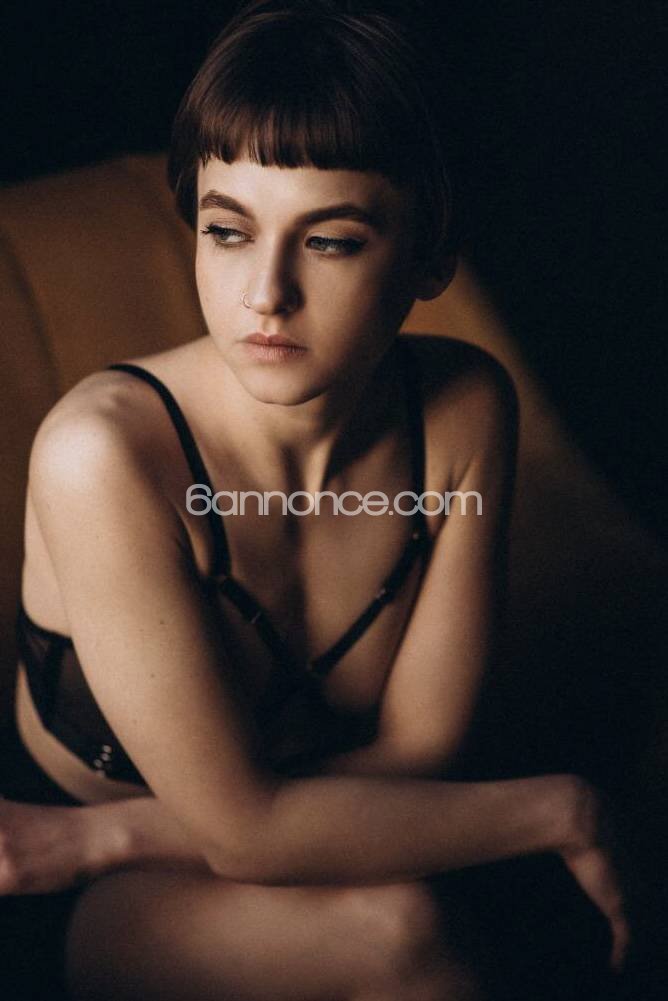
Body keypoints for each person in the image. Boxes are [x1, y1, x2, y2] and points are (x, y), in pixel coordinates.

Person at [0, 2, 629, 999]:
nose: (265, 293)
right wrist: (558, 810)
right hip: (60, 882)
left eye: (329, 241)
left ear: (430, 255)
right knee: (403, 934)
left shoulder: (463, 413)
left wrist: (114, 833)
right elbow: (244, 834)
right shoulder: (104, 455)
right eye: (226, 231)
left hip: (117, 844)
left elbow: (425, 749)